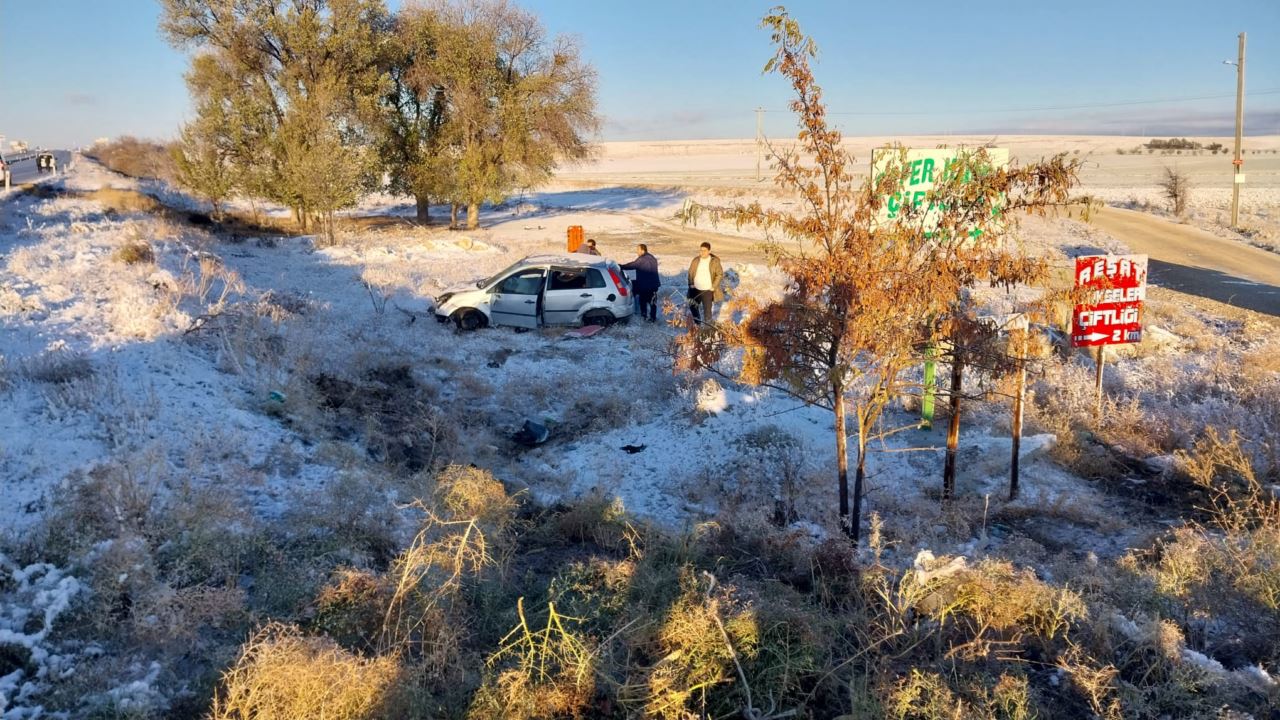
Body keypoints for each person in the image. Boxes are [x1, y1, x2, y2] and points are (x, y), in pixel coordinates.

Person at [620, 243, 660, 322]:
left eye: (638, 250)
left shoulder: (642, 259)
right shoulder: (652, 258)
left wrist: (621, 266)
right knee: (653, 302)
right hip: (654, 285)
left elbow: (632, 265)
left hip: (645, 285)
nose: (637, 252)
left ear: (642, 250)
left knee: (643, 301)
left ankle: (644, 317)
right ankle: (653, 318)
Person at [686, 241, 724, 324]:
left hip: (707, 290)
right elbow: (690, 272)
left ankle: (707, 329)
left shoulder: (714, 261)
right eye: (700, 250)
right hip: (695, 289)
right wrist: (691, 283)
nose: (702, 252)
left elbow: (720, 274)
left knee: (707, 311)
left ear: (709, 251)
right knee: (692, 306)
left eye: (704, 250)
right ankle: (698, 324)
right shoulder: (696, 260)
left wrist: (713, 286)